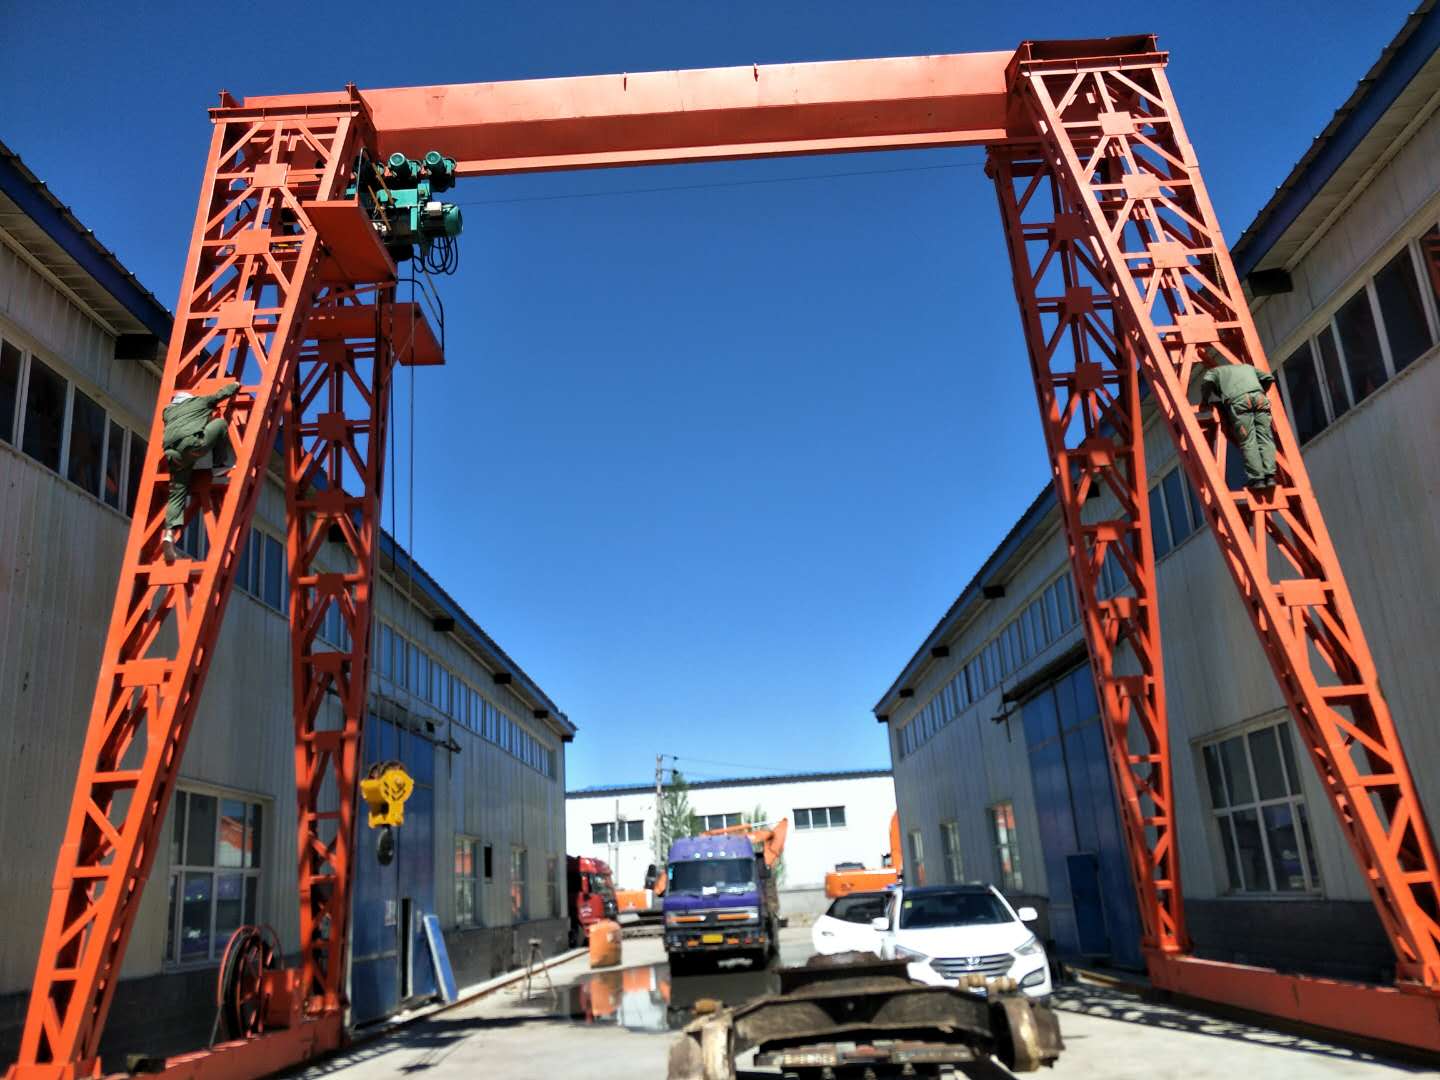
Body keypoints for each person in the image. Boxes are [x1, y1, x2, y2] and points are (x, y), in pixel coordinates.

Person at [160, 382, 240, 561]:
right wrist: (235, 386)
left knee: (177, 494)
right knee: (220, 424)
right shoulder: (198, 402)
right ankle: (218, 465)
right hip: (192, 446)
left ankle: (169, 533)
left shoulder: (168, 412)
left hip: (173, 455)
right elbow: (220, 395)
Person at [1198, 361, 1276, 489]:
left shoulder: (1214, 372)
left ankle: (1258, 479)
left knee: (1248, 440)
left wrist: (1205, 401)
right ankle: (1270, 476)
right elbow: (1268, 378)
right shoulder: (1247, 367)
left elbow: (1207, 382)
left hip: (1240, 402)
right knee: (1265, 438)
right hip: (1260, 399)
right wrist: (1261, 391)